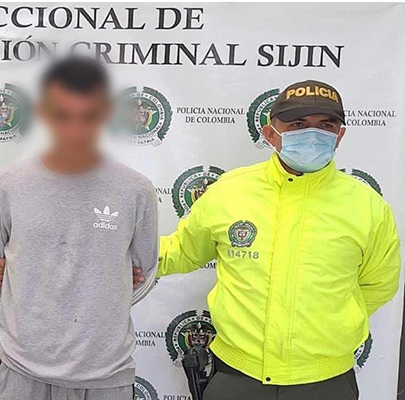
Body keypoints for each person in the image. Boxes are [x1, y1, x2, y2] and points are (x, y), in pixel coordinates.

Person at [158, 80, 401, 400]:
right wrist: (116, 253)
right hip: (236, 377)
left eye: (326, 125)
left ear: (340, 135)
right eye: (298, 124)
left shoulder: (368, 207)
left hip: (326, 381)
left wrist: (334, 323)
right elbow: (182, 251)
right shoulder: (230, 191)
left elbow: (379, 284)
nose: (312, 134)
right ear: (270, 133)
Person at [0, 57, 158, 400]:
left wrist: (103, 295)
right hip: (24, 373)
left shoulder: (136, 189)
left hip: (107, 376)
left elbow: (144, 273)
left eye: (88, 116)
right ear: (44, 113)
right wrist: (24, 298)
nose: (75, 130)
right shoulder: (6, 185)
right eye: (62, 115)